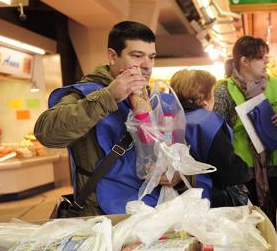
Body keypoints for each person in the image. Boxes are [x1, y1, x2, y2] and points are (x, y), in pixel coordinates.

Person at [35, 21, 180, 216]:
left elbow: (180, 152)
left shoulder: (157, 102)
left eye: (151, 57)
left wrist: (177, 175)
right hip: (103, 215)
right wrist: (108, 97)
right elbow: (47, 133)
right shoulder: (86, 93)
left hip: (152, 211)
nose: (146, 65)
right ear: (112, 56)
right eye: (137, 56)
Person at [213, 35, 277, 220]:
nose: (266, 62)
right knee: (252, 224)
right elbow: (218, 133)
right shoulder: (224, 90)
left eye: (266, 57)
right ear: (244, 61)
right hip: (243, 171)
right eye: (260, 57)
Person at [169, 69, 250, 206]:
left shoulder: (167, 120)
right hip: (210, 201)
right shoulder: (207, 123)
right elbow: (228, 171)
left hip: (176, 201)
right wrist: (244, 171)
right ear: (203, 100)